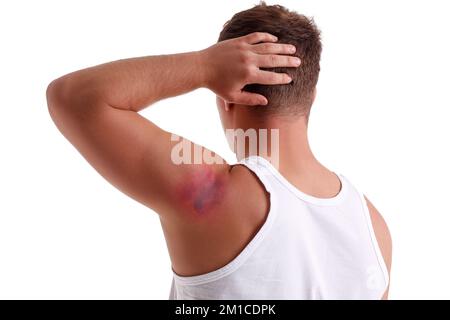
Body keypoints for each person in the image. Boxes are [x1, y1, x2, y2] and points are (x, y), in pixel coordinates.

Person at [46, 2, 392, 299]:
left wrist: (204, 67)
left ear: (227, 99)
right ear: (311, 97)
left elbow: (73, 97)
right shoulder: (372, 227)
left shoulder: (217, 192)